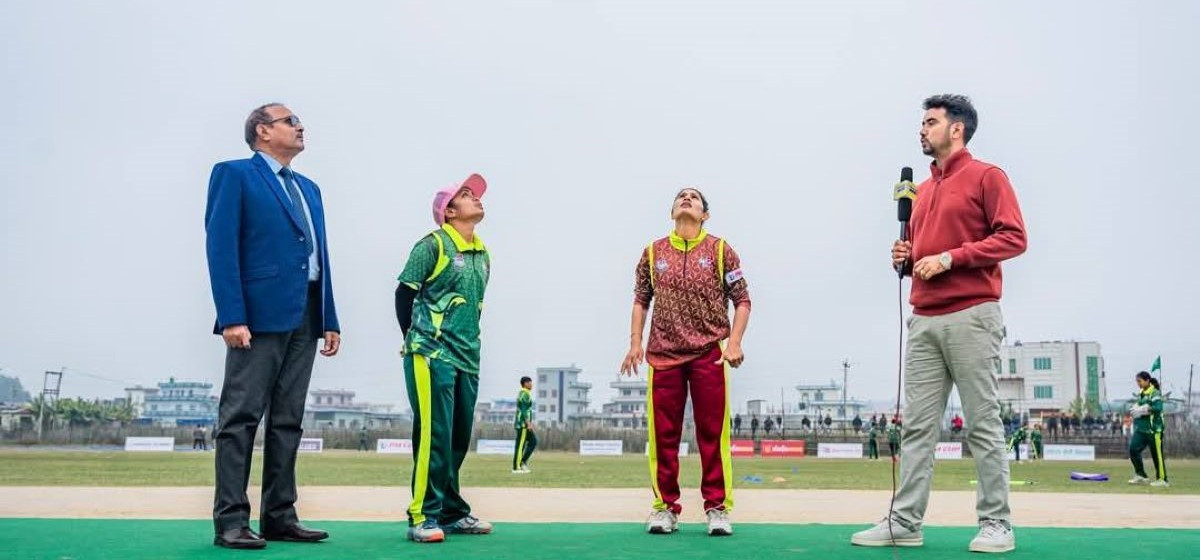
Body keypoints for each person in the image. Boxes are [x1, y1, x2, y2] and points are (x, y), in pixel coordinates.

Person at [852, 94, 1027, 553]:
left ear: (957, 129)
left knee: (982, 423)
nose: (921, 129)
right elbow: (920, 260)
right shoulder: (922, 190)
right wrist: (906, 259)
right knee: (916, 428)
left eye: (930, 122)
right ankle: (904, 522)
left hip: (972, 315)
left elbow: (1014, 237)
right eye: (922, 123)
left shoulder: (987, 176)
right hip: (924, 318)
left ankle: (997, 523)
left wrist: (951, 258)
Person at [206, 103, 341, 550]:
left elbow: (320, 256)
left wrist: (328, 318)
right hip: (257, 314)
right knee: (240, 417)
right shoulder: (234, 175)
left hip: (306, 313)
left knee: (288, 420)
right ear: (263, 131)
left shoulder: (310, 188)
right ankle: (231, 521)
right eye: (290, 121)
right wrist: (232, 316)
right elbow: (221, 247)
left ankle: (280, 516)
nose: (300, 126)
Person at [619, 187, 752, 537]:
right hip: (663, 355)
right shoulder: (653, 252)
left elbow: (742, 300)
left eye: (694, 197)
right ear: (672, 212)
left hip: (709, 353)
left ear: (705, 215)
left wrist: (734, 342)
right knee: (663, 435)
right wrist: (635, 343)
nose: (687, 198)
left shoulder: (721, 250)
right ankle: (665, 507)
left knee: (712, 433)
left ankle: (717, 508)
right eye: (681, 196)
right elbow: (640, 300)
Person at [395, 174, 493, 543]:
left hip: (467, 356)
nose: (476, 199)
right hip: (431, 353)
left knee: (457, 438)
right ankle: (423, 514)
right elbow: (403, 293)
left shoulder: (482, 254)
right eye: (466, 195)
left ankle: (452, 512)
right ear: (449, 212)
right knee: (434, 435)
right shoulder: (432, 245)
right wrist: (412, 338)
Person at [1128, 371, 1169, 487]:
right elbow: (1139, 404)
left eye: (1140, 381)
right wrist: (1136, 408)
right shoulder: (1141, 392)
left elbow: (1158, 408)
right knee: (1133, 449)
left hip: (1154, 429)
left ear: (1147, 381)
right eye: (1137, 381)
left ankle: (1162, 479)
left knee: (1157, 455)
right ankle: (1141, 475)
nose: (1138, 384)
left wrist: (1144, 409)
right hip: (1141, 429)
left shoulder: (1155, 392)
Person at [512, 376, 536, 473]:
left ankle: (522, 462)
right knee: (520, 446)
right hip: (523, 424)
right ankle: (516, 467)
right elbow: (523, 410)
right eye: (530, 382)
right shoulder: (525, 394)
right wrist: (528, 423)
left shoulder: (524, 393)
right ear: (525, 384)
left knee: (533, 441)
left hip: (524, 424)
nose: (531, 384)